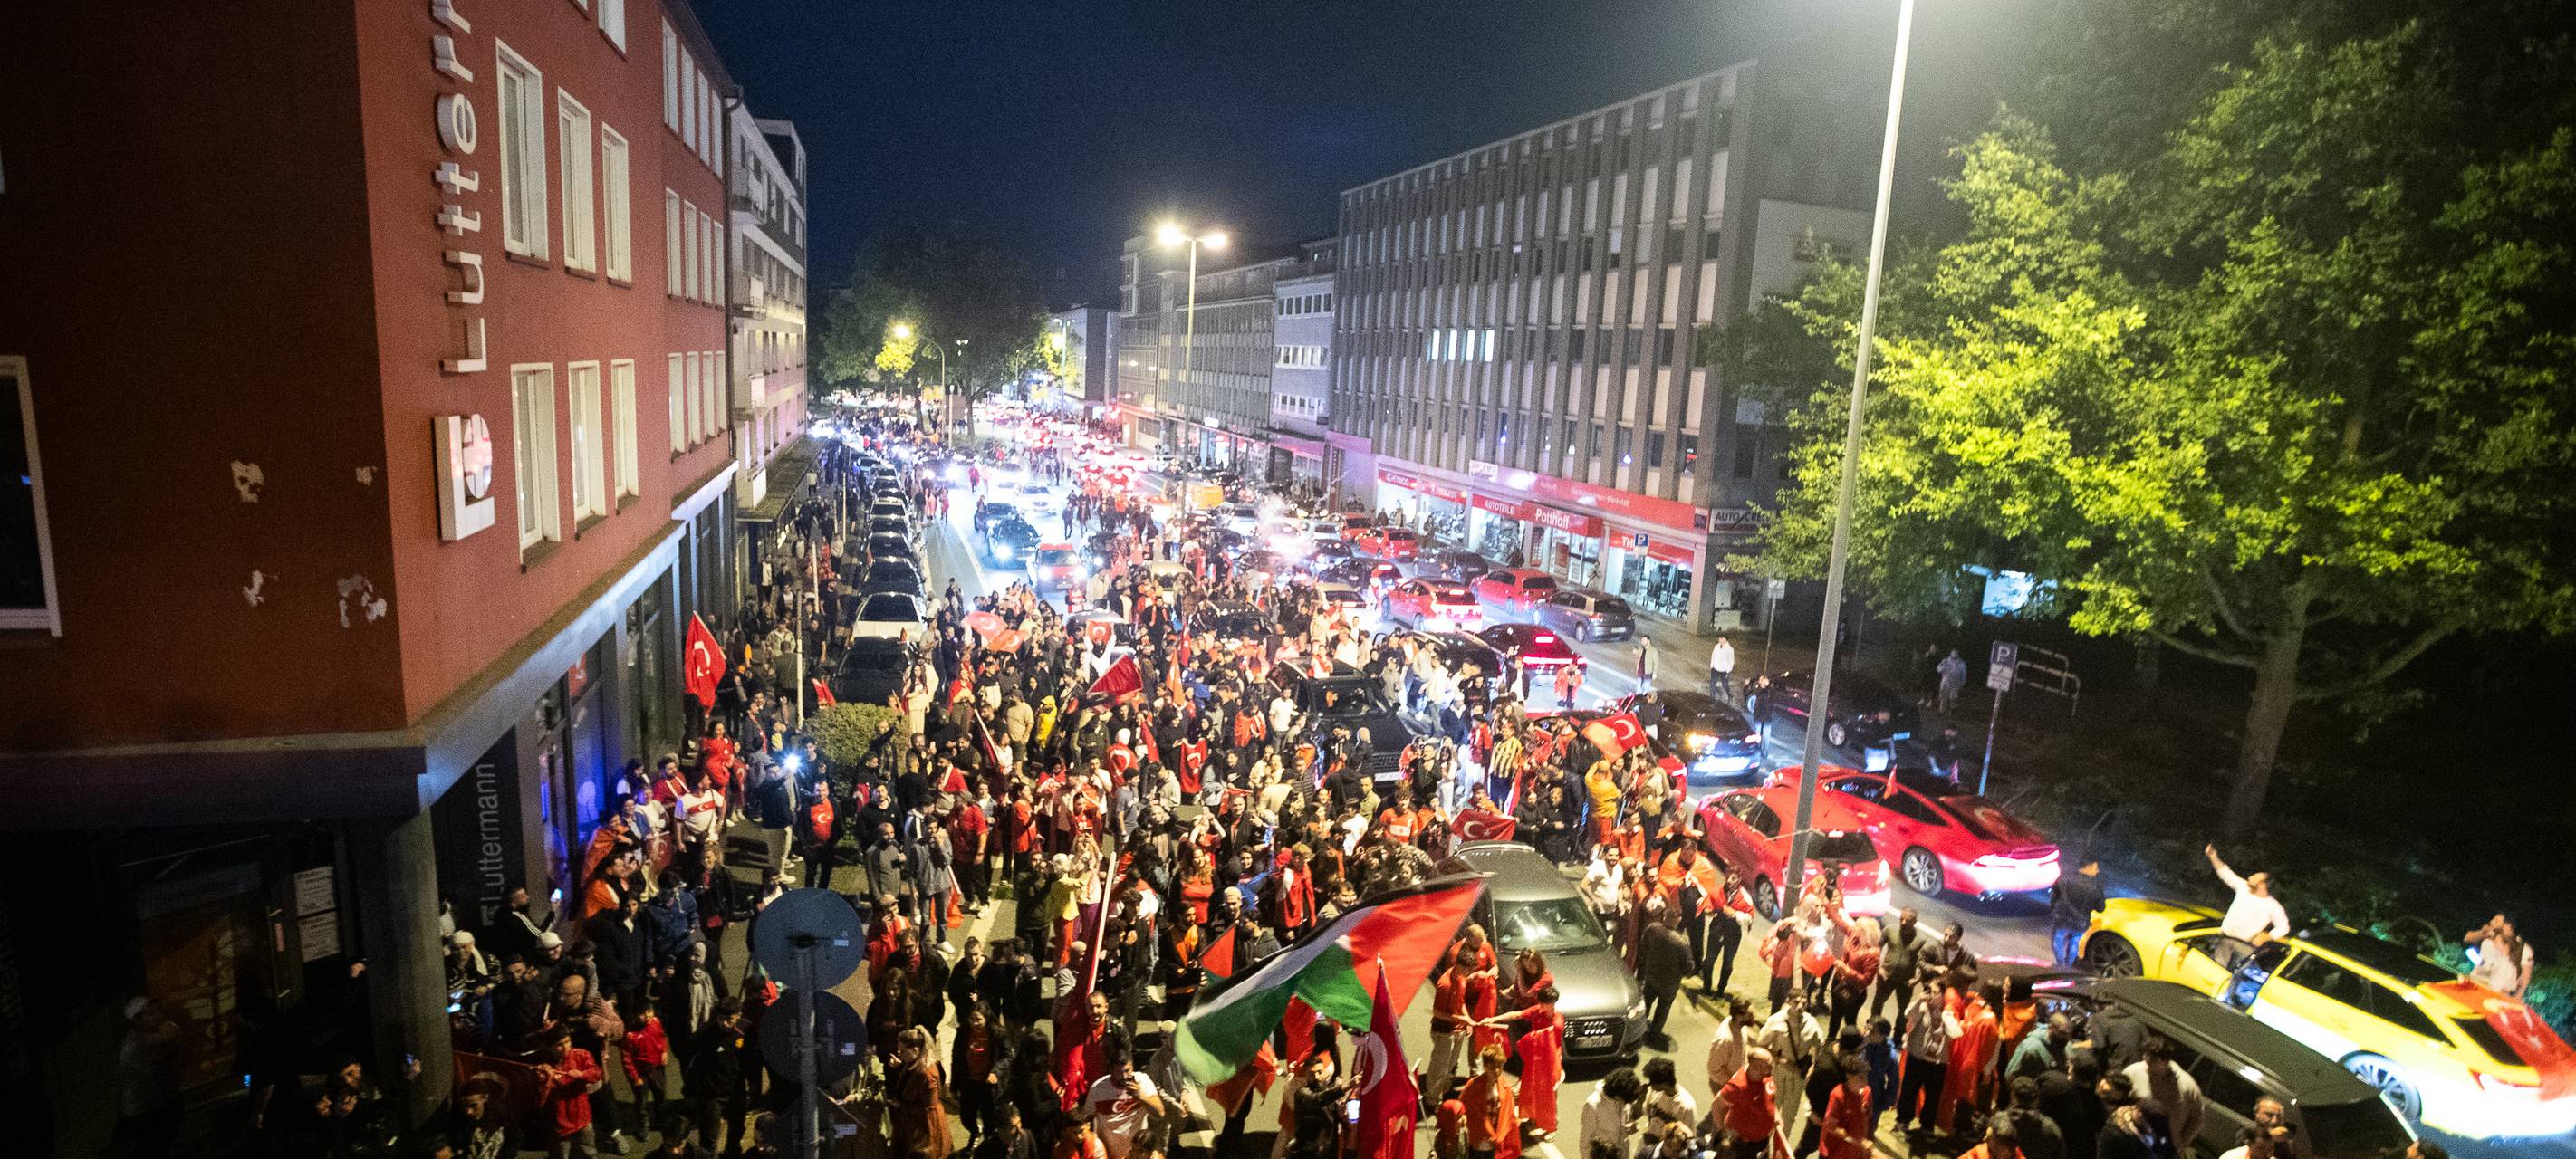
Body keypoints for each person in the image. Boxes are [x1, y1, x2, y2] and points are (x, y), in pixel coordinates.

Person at [2203, 845, 2290, 968]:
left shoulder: (2273, 906)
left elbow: (2284, 927)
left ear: (2263, 885)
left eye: (2256, 877)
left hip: (2245, 947)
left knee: (2232, 977)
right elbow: (2225, 873)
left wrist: (2268, 936)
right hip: (2225, 939)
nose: (2251, 877)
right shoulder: (2244, 888)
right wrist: (2213, 856)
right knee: (2215, 971)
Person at [2121, 1036, 2205, 1155]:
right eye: (2145, 1055)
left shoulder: (2186, 1085)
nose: (2146, 1060)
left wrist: (2181, 1144)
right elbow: (2118, 1098)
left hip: (2164, 1148)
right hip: (2133, 1142)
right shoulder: (2133, 1072)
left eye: (2152, 1059)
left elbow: (2198, 1119)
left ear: (2165, 1061)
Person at [1080, 1046, 1165, 1159]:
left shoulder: (1143, 1082)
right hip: (1108, 1153)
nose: (1124, 1076)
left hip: (1137, 1153)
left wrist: (1140, 1096)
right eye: (1119, 1072)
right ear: (1110, 1069)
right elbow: (1087, 1119)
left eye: (1127, 1071)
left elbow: (1160, 1113)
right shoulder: (1098, 1089)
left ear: (1133, 1067)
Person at [1637, 915, 1696, 1047]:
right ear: (1677, 921)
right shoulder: (1681, 942)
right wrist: (1683, 973)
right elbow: (1689, 965)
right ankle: (1655, 1033)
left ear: (1664, 917)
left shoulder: (1653, 929)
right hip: (1670, 982)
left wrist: (1647, 963)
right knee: (1663, 1007)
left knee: (1646, 1000)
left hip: (1652, 975)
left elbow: (1644, 945)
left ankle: (1638, 1027)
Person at [1713, 1048, 1780, 1159]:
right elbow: (1717, 1105)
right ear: (1756, 1067)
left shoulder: (1765, 1076)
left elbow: (1769, 1097)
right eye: (1768, 1065)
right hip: (1741, 1144)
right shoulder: (1738, 1087)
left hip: (1760, 1139)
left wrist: (1775, 1114)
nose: (1772, 1067)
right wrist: (1722, 1131)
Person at [1459, 1046, 1521, 1159]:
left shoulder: (1505, 1087)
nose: (1497, 1071)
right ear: (1485, 1066)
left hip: (1496, 1140)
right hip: (1479, 1139)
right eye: (1492, 1067)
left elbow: (1508, 1115)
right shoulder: (1473, 1086)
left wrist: (1501, 1135)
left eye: (1500, 1067)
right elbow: (1465, 1110)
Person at [2051, 858, 2106, 967]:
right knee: (2075, 943)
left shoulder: (2064, 879)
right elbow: (2101, 908)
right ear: (2088, 867)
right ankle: (2069, 966)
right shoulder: (2096, 886)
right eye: (2096, 867)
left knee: (2059, 939)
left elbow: (2054, 899)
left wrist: (2054, 911)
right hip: (2081, 922)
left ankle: (2060, 965)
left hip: (2062, 919)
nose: (2097, 871)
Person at [2464, 913, 2534, 998]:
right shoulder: (2489, 937)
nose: (2491, 922)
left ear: (2507, 926)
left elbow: (2526, 975)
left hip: (2499, 992)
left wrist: (2518, 996)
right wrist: (2482, 932)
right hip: (2476, 984)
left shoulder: (2523, 949)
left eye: (2496, 921)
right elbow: (2467, 938)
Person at [1579, 1067, 1642, 1159]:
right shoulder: (1592, 1105)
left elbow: (1624, 1121)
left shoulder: (1623, 1097)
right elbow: (1585, 1142)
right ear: (1617, 1096)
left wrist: (1629, 1128)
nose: (1627, 1104)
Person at [2215, 1096, 2299, 1159]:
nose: (2275, 1121)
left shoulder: (2284, 1140)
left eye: (2279, 1116)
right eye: (2269, 1115)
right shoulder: (2246, 1133)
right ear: (2257, 1113)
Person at [1935, 649, 1968, 714]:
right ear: (1951, 653)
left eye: (1956, 653)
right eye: (1953, 653)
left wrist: (1962, 684)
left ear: (1958, 654)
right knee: (1943, 697)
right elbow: (1938, 670)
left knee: (1953, 698)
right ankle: (1942, 711)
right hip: (1945, 683)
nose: (1954, 654)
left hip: (1955, 684)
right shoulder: (1945, 661)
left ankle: (1952, 709)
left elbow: (1964, 674)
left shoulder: (1962, 663)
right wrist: (1942, 667)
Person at [1709, 636, 1737, 704]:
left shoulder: (1730, 649)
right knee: (1712, 683)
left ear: (1725, 640)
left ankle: (1729, 695)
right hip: (1715, 668)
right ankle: (1712, 698)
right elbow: (1713, 655)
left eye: (1721, 638)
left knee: (1724, 684)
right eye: (1719, 638)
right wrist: (1712, 665)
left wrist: (1727, 671)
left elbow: (1731, 661)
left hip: (1724, 671)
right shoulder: (1716, 646)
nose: (1719, 639)